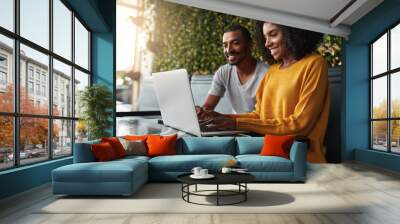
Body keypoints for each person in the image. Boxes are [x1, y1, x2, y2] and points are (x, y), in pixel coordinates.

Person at [199, 22, 330, 163]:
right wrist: (220, 117)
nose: (267, 44)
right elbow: (259, 116)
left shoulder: (314, 64)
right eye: (265, 37)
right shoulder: (272, 71)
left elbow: (300, 125)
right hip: (269, 154)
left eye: (273, 35)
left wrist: (235, 123)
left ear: (292, 33)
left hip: (301, 158)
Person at [197, 24, 269, 115]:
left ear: (250, 45)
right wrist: (200, 111)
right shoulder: (223, 72)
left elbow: (265, 117)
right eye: (225, 45)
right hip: (233, 126)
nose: (228, 50)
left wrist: (225, 119)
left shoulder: (267, 74)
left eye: (235, 43)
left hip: (256, 127)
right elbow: (207, 107)